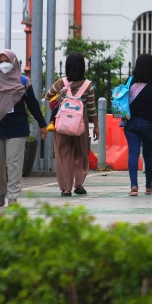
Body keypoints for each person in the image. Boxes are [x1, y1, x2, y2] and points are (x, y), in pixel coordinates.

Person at [0, 49, 47, 207]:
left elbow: (33, 105)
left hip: (17, 128)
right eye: (1, 61)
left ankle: (13, 196)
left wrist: (42, 124)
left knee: (14, 163)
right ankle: (1, 193)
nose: (4, 64)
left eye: (7, 60)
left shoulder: (23, 82)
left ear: (14, 62)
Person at [45, 53, 99, 196]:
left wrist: (61, 96)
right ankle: (79, 184)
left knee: (63, 154)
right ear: (83, 67)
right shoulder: (88, 85)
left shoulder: (61, 83)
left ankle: (66, 188)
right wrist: (96, 126)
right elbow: (91, 107)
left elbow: (47, 95)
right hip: (80, 123)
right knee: (81, 152)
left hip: (62, 122)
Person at [123, 53, 152, 196]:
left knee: (133, 153)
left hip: (131, 124)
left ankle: (134, 186)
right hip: (148, 125)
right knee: (148, 155)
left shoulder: (130, 81)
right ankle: (148, 186)